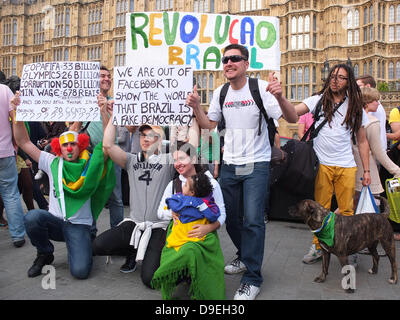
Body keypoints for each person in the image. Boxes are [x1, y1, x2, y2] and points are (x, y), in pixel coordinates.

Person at [186, 43, 298, 300]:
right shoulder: (221, 92)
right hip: (230, 164)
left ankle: (253, 278)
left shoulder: (260, 89)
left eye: (234, 58)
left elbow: (291, 119)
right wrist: (195, 108)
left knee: (253, 220)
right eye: (225, 59)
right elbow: (208, 125)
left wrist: (280, 96)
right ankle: (245, 256)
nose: (228, 63)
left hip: (257, 163)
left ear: (246, 63)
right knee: (229, 217)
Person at [268, 63, 371, 266]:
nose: (335, 80)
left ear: (348, 81)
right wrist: (280, 97)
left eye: (340, 77)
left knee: (347, 212)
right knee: (319, 211)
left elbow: (362, 141)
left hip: (347, 166)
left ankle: (349, 249)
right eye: (332, 76)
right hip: (322, 164)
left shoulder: (355, 106)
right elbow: (292, 113)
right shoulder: (317, 100)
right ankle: (318, 246)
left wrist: (366, 170)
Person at [12, 92, 115, 279]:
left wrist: (104, 114)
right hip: (57, 222)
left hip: (79, 226)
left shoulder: (91, 164)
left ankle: (84, 242)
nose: (69, 148)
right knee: (33, 217)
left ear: (81, 146)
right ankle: (44, 252)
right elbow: (23, 142)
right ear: (59, 147)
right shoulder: (52, 162)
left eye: (73, 144)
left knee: (81, 272)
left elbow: (108, 145)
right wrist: (17, 113)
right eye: (65, 144)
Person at [92, 114, 176, 287]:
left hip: (158, 227)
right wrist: (115, 116)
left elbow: (196, 148)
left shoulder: (169, 161)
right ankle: (132, 249)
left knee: (150, 279)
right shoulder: (131, 160)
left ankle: (164, 255)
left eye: (151, 135)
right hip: (135, 224)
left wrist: (195, 112)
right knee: (98, 246)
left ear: (160, 140)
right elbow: (108, 145)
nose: (146, 139)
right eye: (143, 135)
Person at [152, 142, 226, 299]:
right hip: (178, 235)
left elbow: (221, 213)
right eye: (175, 160)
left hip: (203, 235)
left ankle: (198, 281)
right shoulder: (173, 184)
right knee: (149, 278)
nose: (177, 164)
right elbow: (160, 211)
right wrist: (171, 213)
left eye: (181, 159)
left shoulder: (211, 183)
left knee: (192, 252)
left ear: (193, 158)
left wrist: (209, 227)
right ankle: (184, 275)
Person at [70, 65, 124, 230]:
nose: (107, 78)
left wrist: (105, 110)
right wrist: (83, 111)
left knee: (116, 197)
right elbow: (72, 132)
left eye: (108, 76)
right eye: (102, 76)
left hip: (111, 154)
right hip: (90, 156)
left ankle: (117, 233)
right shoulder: (83, 103)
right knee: (89, 194)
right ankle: (90, 231)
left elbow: (121, 129)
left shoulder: (116, 103)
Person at [353, 87, 400, 207]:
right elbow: (378, 151)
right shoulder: (372, 122)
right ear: (367, 102)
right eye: (375, 100)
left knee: (352, 204)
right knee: (373, 204)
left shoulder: (352, 118)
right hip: (367, 167)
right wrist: (396, 170)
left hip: (352, 166)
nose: (378, 103)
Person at [0, 80, 25, 247]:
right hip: (5, 150)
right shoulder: (4, 90)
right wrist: (15, 145)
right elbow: (15, 118)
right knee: (10, 194)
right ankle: (17, 235)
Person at [356, 75, 388, 152]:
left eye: (359, 86)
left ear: (367, 86)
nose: (356, 90)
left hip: (373, 151)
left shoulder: (373, 107)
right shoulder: (375, 105)